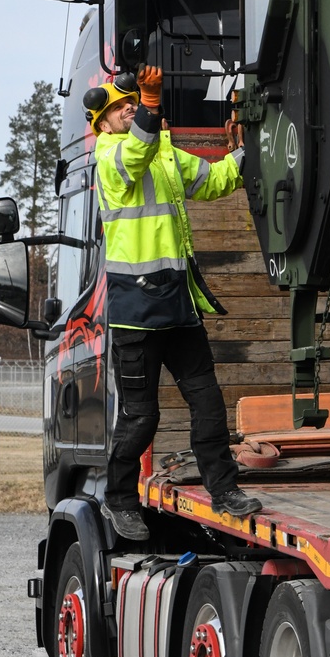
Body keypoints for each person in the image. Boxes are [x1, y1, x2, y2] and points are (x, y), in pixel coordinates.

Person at [85, 64, 262, 540]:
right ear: (101, 123)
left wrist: (250, 152)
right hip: (136, 315)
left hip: (177, 306)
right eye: (120, 109)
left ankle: (224, 491)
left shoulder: (161, 153)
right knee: (142, 417)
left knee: (209, 405)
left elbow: (213, 180)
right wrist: (150, 105)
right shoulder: (110, 158)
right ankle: (120, 500)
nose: (128, 113)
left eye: (131, 106)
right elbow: (137, 150)